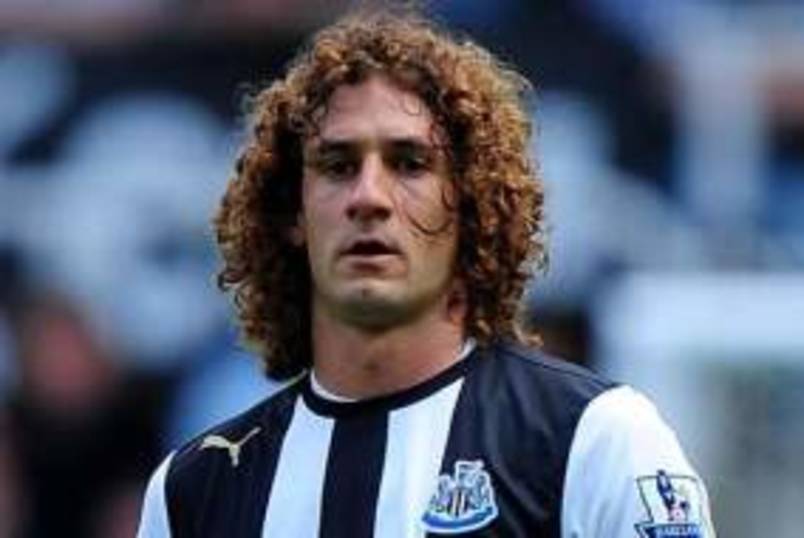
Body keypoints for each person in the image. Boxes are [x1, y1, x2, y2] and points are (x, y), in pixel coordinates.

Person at [137, 9, 715, 538]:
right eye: (337, 166)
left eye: (410, 164)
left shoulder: (595, 440)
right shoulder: (196, 487)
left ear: (471, 205)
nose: (369, 196)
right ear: (292, 213)